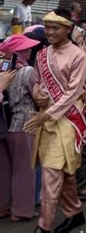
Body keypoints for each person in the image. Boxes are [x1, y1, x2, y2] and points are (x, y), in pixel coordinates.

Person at [23, 10, 86, 233]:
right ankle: (75, 213)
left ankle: (44, 227)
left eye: (55, 28)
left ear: (68, 29)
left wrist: (47, 113)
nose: (49, 32)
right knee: (65, 173)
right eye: (47, 27)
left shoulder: (78, 56)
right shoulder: (42, 54)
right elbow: (38, 82)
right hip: (47, 120)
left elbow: (73, 93)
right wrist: (35, 93)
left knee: (51, 175)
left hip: (67, 121)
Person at [0, 35, 40, 222]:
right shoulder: (28, 71)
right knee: (24, 169)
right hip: (24, 123)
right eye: (26, 48)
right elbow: (38, 96)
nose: (30, 50)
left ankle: (4, 207)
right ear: (17, 53)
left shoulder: (3, 70)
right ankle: (22, 210)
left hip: (4, 125)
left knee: (5, 168)